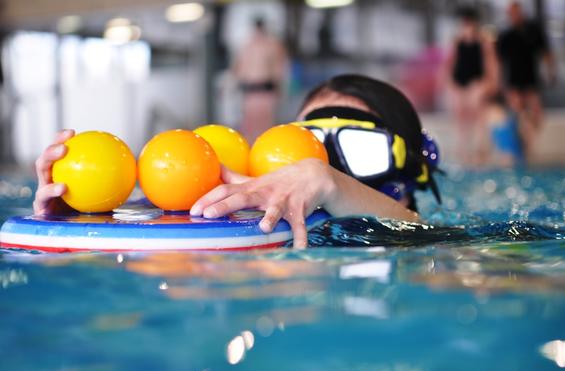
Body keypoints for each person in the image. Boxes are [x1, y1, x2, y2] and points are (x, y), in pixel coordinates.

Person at [33, 75, 441, 249]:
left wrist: (328, 181)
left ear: (412, 169)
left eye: (360, 147)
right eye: (307, 145)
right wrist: (86, 209)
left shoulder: (432, 247)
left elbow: (433, 241)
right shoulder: (257, 219)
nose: (325, 162)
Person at [496, 1, 557, 160]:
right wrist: (501, 85)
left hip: (531, 81)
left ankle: (527, 145)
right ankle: (522, 149)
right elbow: (498, 62)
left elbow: (546, 53)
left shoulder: (533, 31)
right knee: (519, 115)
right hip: (513, 83)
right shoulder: (505, 35)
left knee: (536, 116)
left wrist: (551, 72)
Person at [443, 6, 499, 165]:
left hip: (477, 81)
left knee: (478, 114)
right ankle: (463, 151)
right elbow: (450, 63)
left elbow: (491, 63)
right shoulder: (458, 41)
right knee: (461, 117)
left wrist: (492, 82)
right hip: (460, 82)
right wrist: (449, 82)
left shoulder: (484, 41)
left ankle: (480, 150)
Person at [232, 17, 288, 144]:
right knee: (250, 126)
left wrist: (279, 88)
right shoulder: (247, 46)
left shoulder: (272, 45)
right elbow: (238, 69)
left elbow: (280, 69)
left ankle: (265, 151)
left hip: (265, 90)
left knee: (265, 126)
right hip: (250, 91)